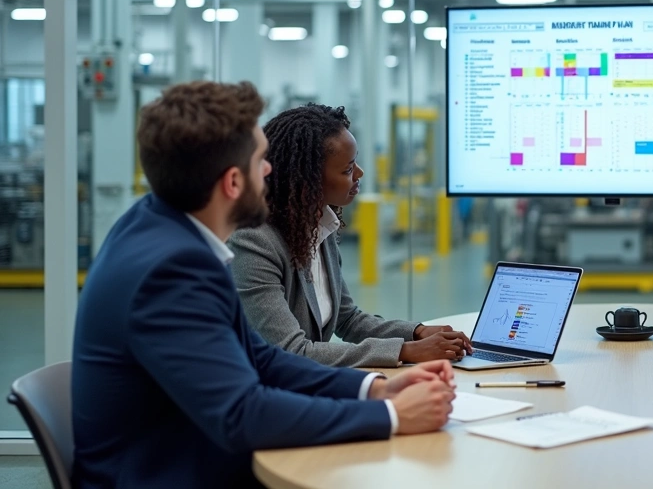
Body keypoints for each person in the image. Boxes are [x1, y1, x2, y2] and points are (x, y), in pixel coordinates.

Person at [72, 82, 457, 489]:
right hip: (165, 472)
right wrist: (392, 416)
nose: (272, 169)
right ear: (233, 183)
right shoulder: (171, 270)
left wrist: (377, 388)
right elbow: (241, 414)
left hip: (191, 449)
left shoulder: (162, 228)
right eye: (261, 161)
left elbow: (263, 359)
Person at [230, 104, 472, 367]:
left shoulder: (319, 226)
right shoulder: (254, 242)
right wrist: (406, 351)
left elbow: (347, 319)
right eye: (347, 170)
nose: (359, 173)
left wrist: (416, 332)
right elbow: (292, 350)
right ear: (307, 180)